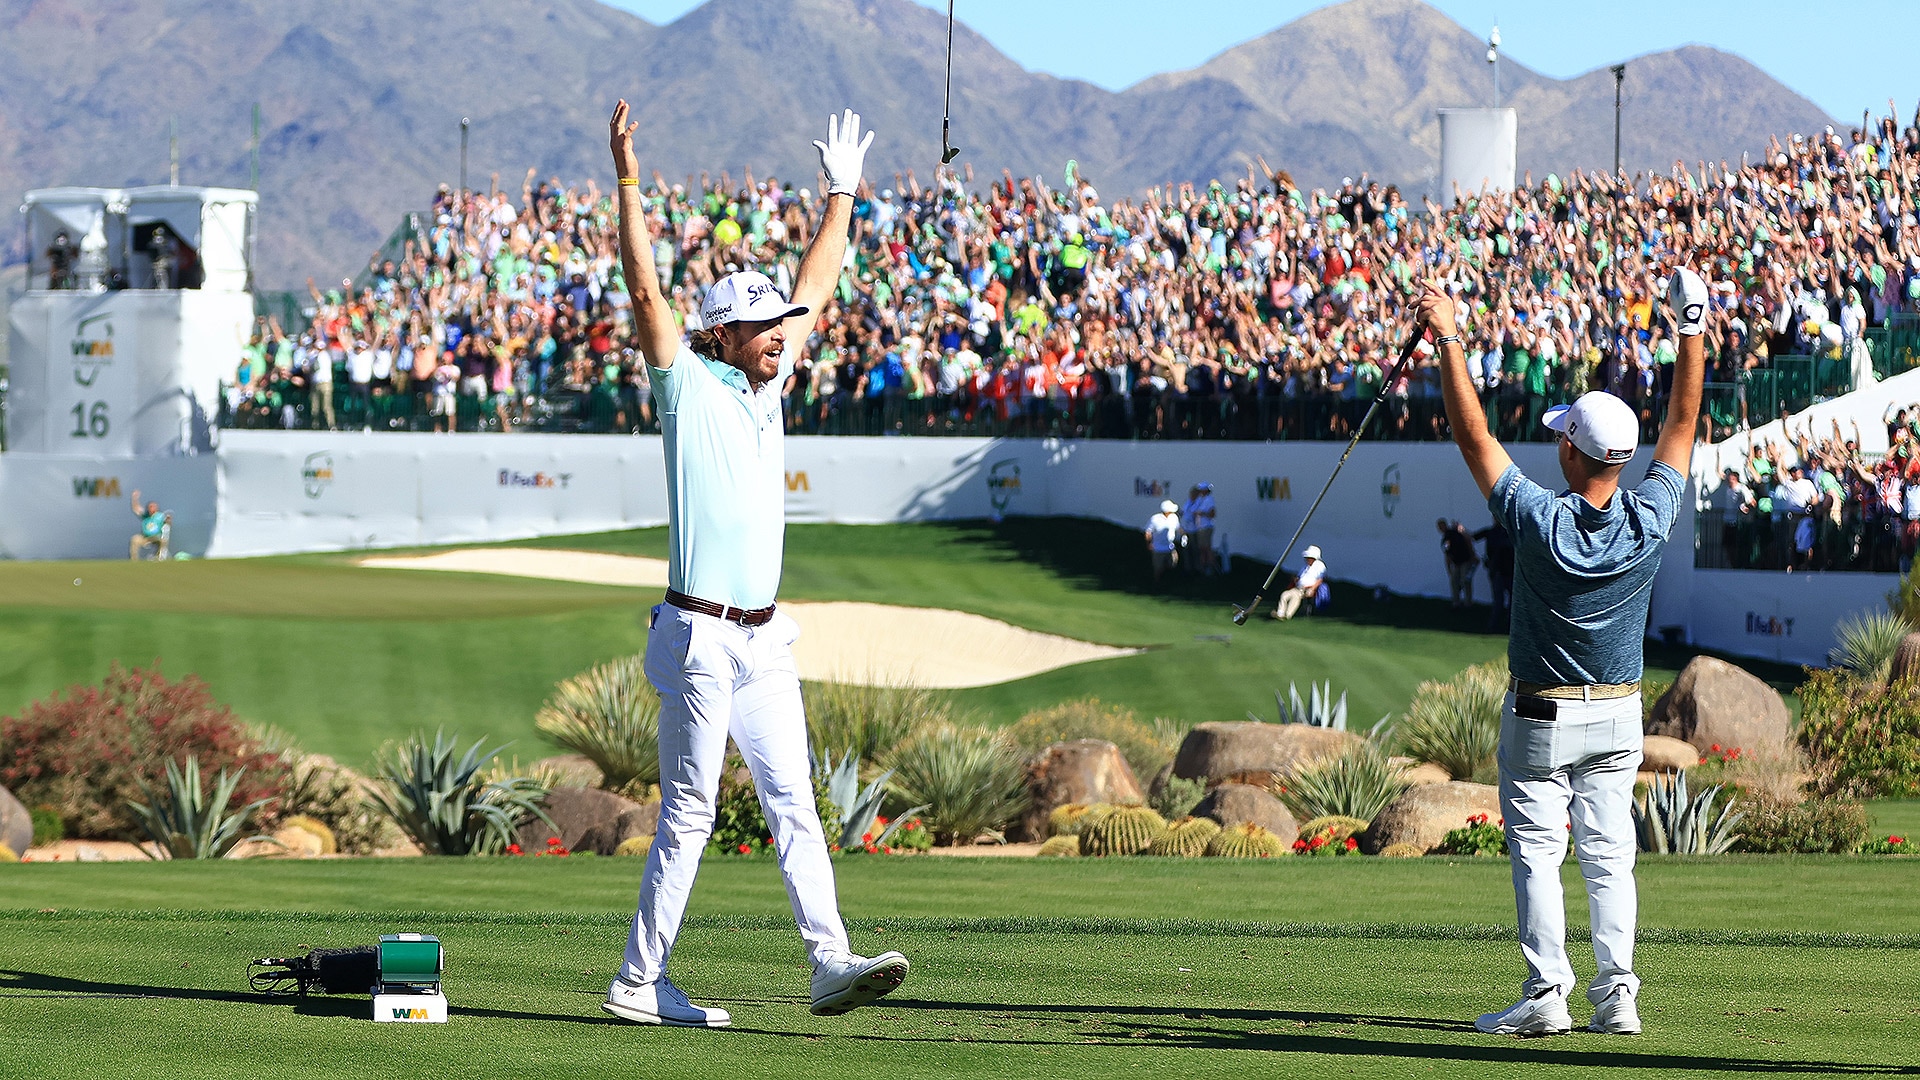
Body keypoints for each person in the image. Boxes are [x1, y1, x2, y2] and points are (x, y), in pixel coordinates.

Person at [602, 100, 905, 1029]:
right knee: (690, 816)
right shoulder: (684, 387)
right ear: (722, 336)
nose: (781, 333)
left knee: (795, 804)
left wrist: (843, 196)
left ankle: (828, 963)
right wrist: (626, 181)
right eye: (763, 326)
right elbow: (647, 293)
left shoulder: (769, 386)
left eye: (780, 325)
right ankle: (638, 982)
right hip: (697, 635)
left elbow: (817, 280)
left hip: (765, 637)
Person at [1419, 263, 1706, 1038]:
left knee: (1539, 856)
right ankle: (1618, 999)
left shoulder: (1539, 522)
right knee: (1611, 859)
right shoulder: (1650, 517)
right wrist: (1691, 328)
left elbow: (1473, 435)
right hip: (1617, 719)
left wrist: (1447, 336)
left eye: (1560, 440)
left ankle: (1547, 995)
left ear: (1573, 456)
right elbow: (1681, 424)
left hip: (1540, 717)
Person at [1271, 544, 1326, 620]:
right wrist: (1295, 579)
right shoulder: (1305, 567)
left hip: (1306, 589)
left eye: (1309, 557)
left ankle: (1287, 615)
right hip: (1298, 587)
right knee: (1284, 595)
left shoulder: (1320, 566)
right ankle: (1280, 613)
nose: (1307, 559)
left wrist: (1312, 589)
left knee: (1295, 597)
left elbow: (1320, 579)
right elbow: (1299, 577)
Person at [1439, 518, 1479, 607]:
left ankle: (1468, 602)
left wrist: (1472, 555)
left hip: (1465, 560)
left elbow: (1468, 542)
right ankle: (1456, 602)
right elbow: (1447, 555)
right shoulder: (1446, 538)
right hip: (1456, 562)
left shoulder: (1455, 533)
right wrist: (1449, 570)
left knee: (1465, 580)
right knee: (1454, 581)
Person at [1181, 482, 1217, 575]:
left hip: (1204, 527)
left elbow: (1212, 514)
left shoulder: (1209, 500)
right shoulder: (1201, 500)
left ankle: (1209, 568)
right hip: (1198, 528)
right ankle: (1202, 568)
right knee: (1201, 548)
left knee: (1206, 548)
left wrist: (1200, 513)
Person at [1145, 499, 1182, 583]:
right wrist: (1149, 543)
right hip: (1158, 548)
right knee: (1158, 568)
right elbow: (1148, 532)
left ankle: (1168, 582)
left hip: (1170, 547)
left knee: (1172, 565)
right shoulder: (1155, 518)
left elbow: (1179, 528)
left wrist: (1183, 536)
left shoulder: (1174, 518)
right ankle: (1157, 584)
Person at [129, 490, 170, 561]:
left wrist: (168, 520)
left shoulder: (160, 516)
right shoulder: (145, 516)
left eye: (154, 507)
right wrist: (134, 498)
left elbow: (167, 522)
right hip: (145, 537)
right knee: (135, 539)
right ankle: (134, 560)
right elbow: (136, 508)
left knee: (163, 541)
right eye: (150, 507)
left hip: (156, 537)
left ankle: (158, 558)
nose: (152, 508)